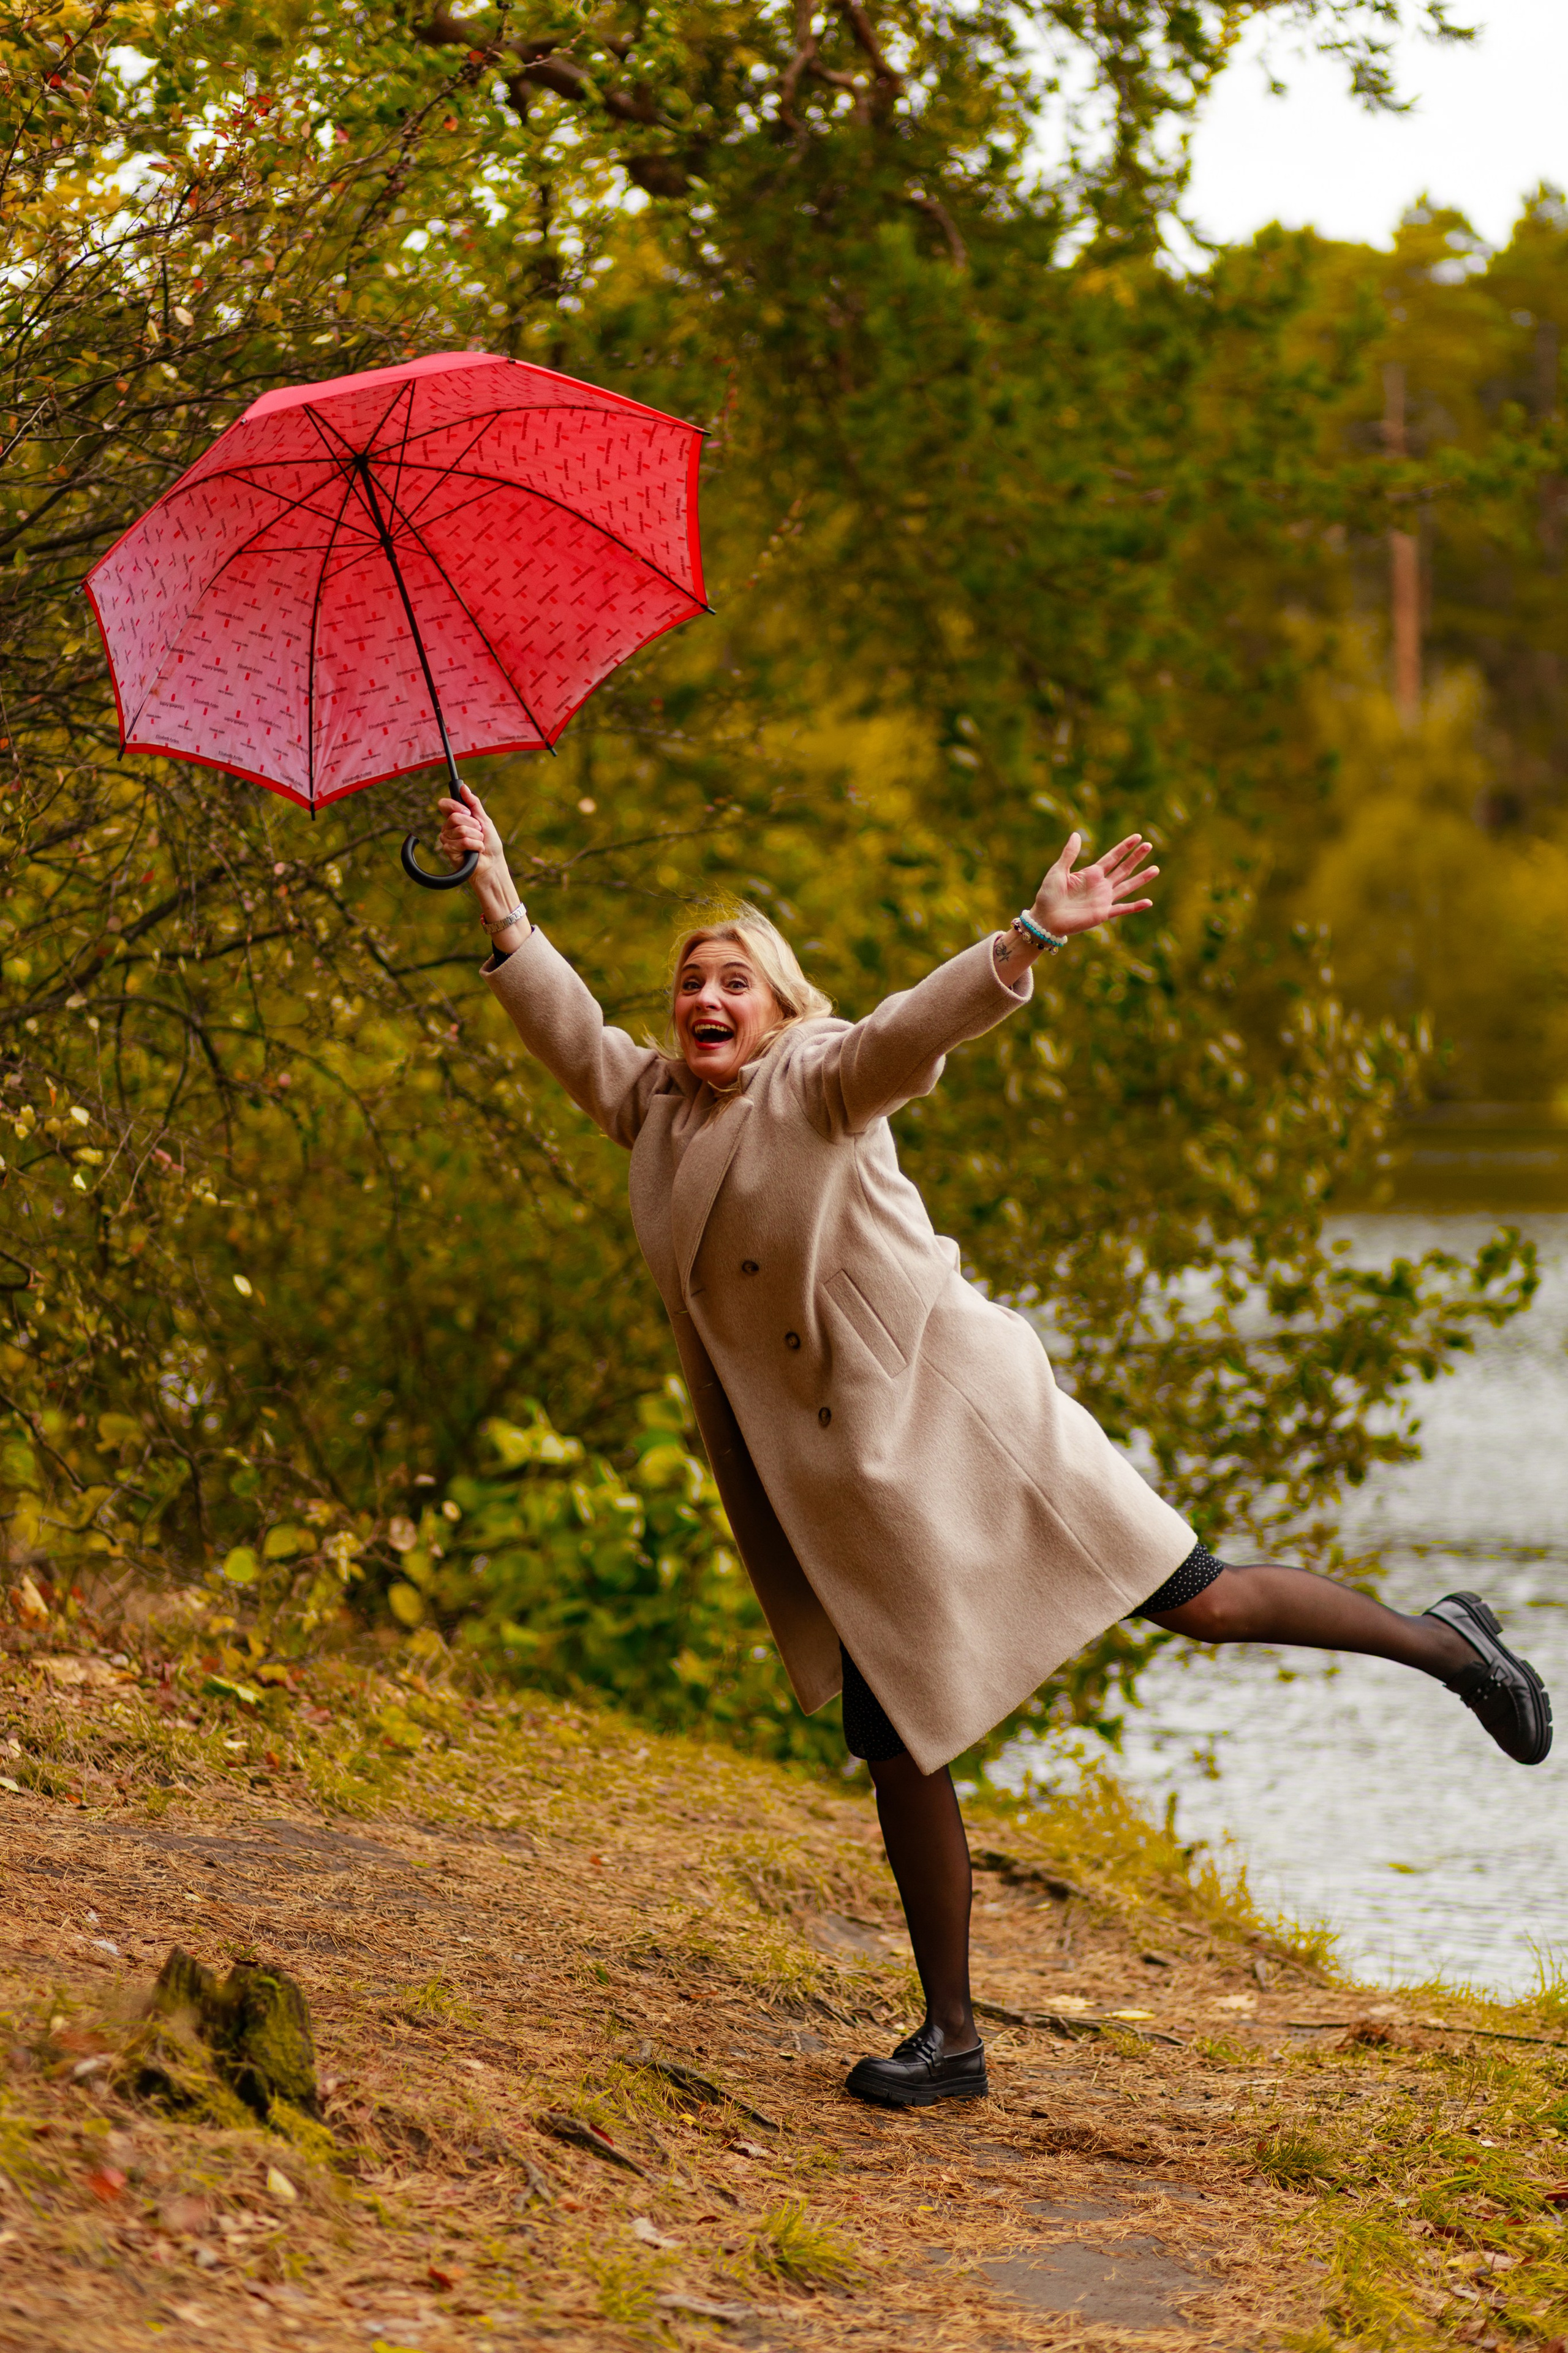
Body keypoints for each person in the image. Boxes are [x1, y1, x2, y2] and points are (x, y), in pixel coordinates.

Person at [437, 783, 1553, 2112]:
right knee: (895, 1732)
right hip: (851, 1489)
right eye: (690, 982)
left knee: (1192, 1600)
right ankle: (950, 2039)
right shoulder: (661, 1113)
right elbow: (569, 1031)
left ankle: (1446, 1642)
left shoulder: (822, 1076)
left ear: (783, 1007)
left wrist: (1026, 935)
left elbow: (911, 1032)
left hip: (969, 1422)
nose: (707, 997)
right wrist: (496, 887)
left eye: (735, 978)